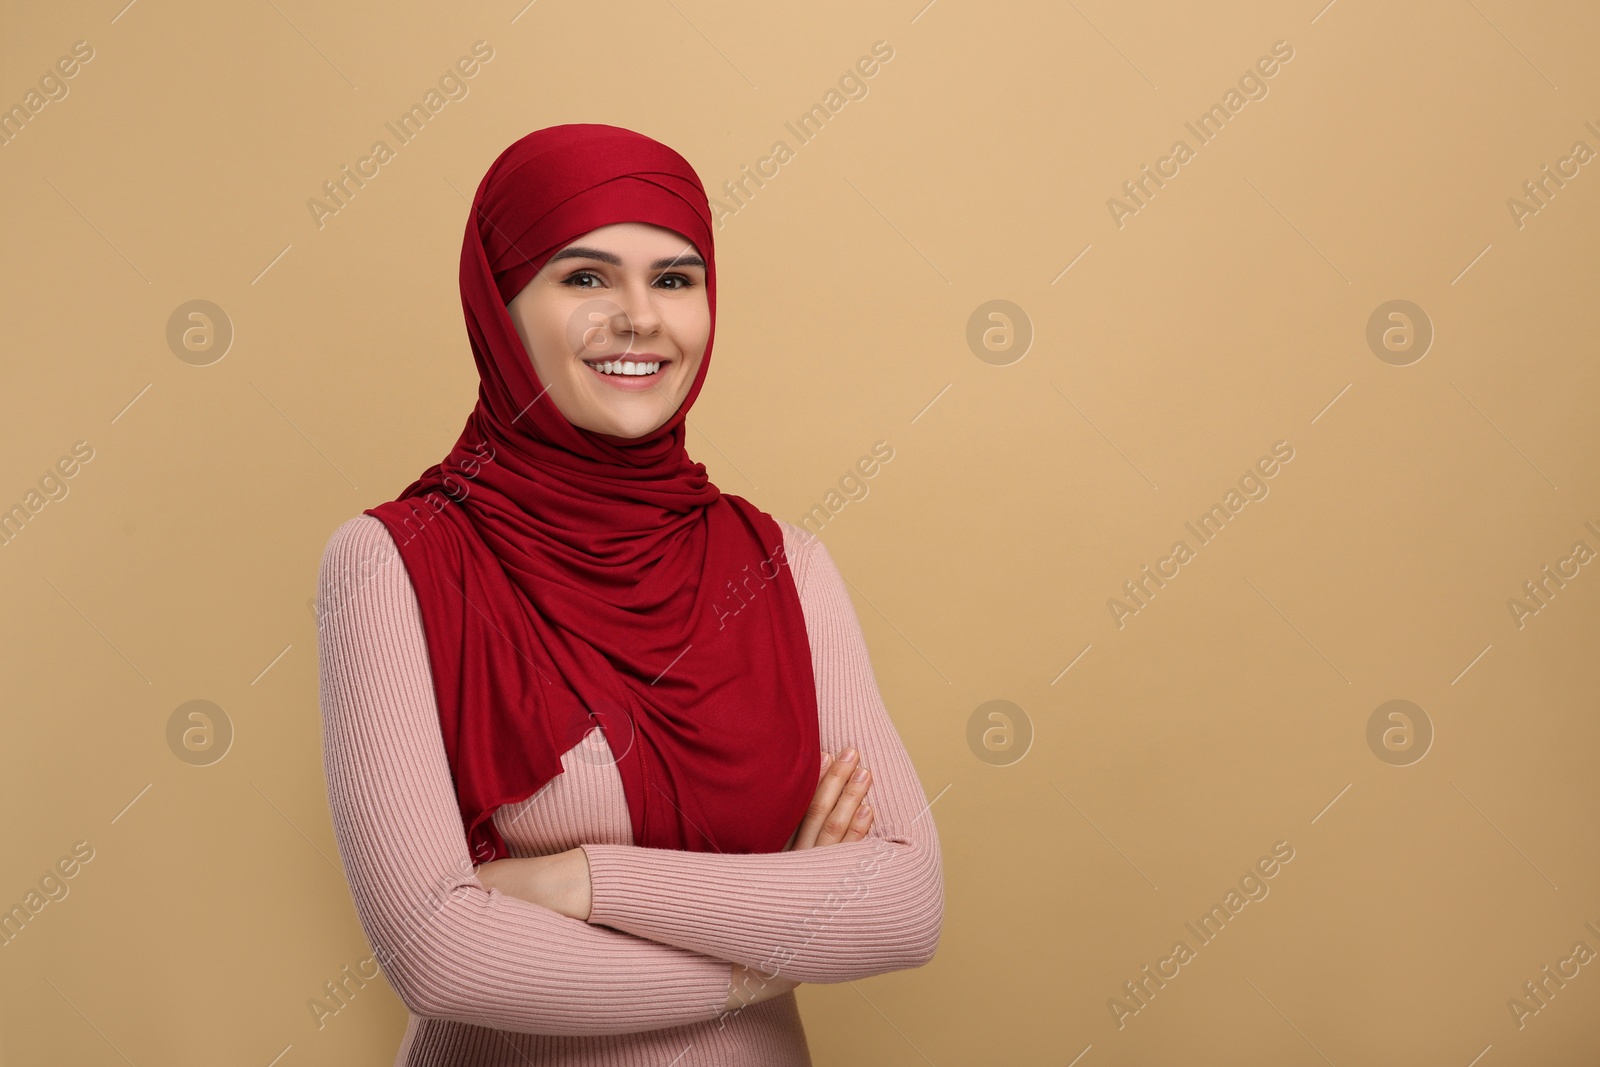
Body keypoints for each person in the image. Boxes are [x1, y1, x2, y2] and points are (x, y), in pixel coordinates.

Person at [315, 123, 942, 1065]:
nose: (641, 317)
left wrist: (580, 882)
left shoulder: (783, 564)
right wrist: (765, 957)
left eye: (675, 278)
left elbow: (902, 903)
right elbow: (438, 953)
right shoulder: (392, 564)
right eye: (585, 277)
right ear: (500, 306)